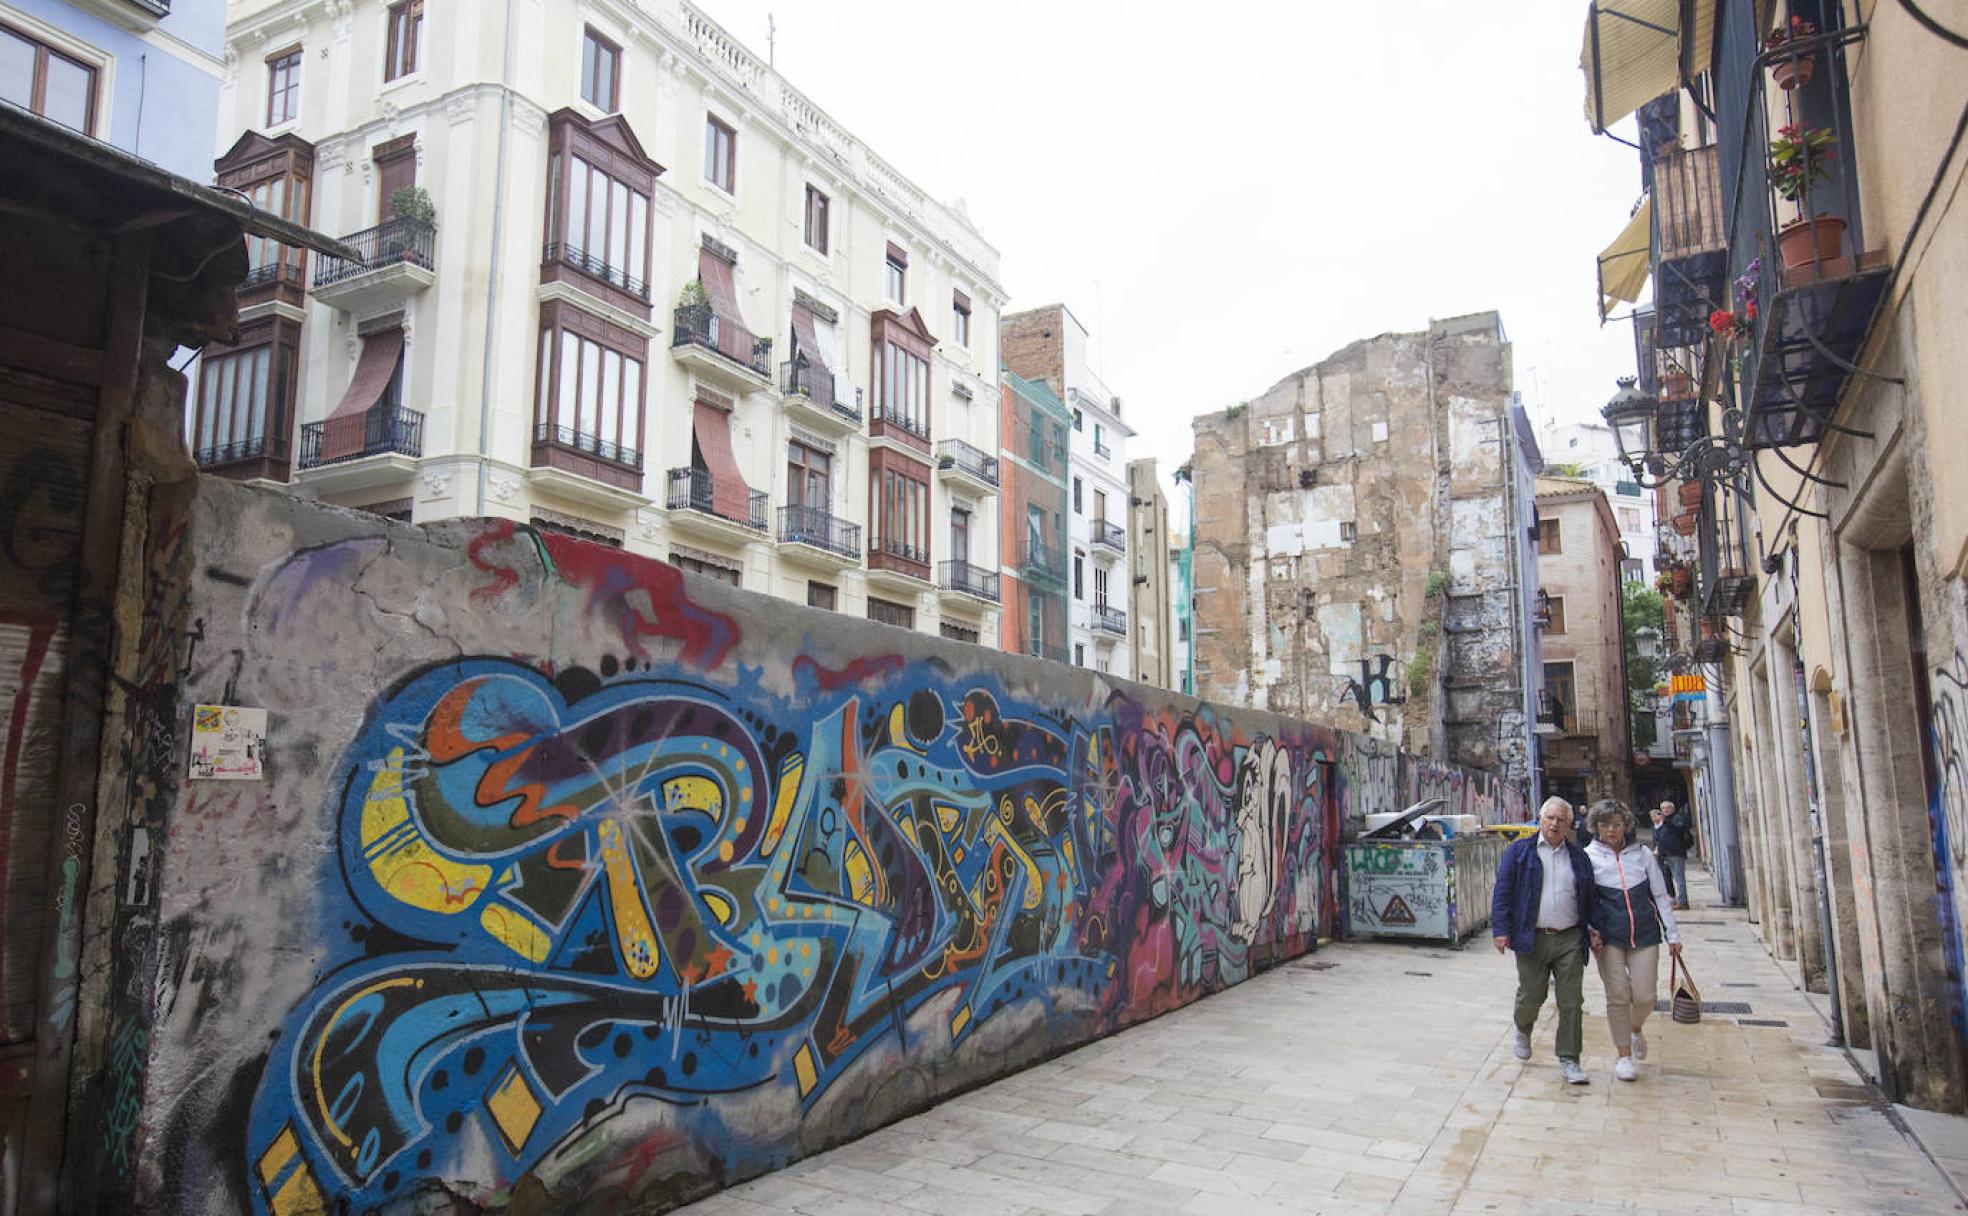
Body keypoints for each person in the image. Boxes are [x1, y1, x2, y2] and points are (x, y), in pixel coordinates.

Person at [1492, 795, 1597, 1085]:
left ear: (1569, 825)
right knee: (1531, 994)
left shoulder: (1578, 857)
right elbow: (1502, 891)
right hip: (1531, 937)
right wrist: (1500, 930)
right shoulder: (1519, 852)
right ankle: (1523, 1029)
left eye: (1561, 820)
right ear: (1540, 820)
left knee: (1571, 1000)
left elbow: (1590, 898)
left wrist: (1594, 928)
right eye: (1550, 818)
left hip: (1569, 938)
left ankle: (1570, 1058)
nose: (1554, 824)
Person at [1585, 799, 1682, 1082]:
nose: (1611, 830)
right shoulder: (1589, 857)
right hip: (1609, 937)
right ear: (1596, 828)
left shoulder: (1641, 855)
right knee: (1617, 996)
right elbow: (1586, 900)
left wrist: (1672, 933)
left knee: (1645, 995)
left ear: (1625, 825)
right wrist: (1592, 931)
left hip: (1644, 933)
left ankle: (1636, 1027)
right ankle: (1624, 1055)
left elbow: (1661, 895)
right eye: (1605, 825)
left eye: (1616, 824)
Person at [1650, 799, 1694, 910]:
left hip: (1676, 853)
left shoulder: (1677, 818)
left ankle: (1683, 901)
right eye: (1663, 808)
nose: (1666, 810)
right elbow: (1658, 836)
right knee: (1667, 877)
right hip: (1665, 854)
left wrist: (1665, 821)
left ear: (1673, 809)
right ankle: (1673, 899)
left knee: (1679, 878)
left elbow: (1679, 829)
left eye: (1668, 808)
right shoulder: (1662, 822)